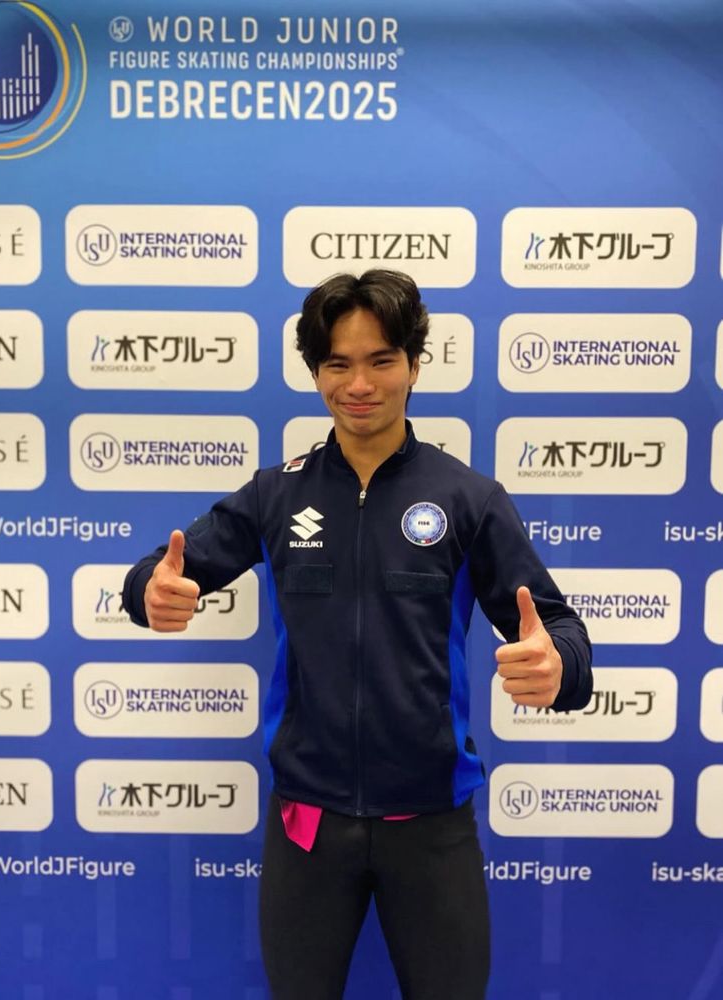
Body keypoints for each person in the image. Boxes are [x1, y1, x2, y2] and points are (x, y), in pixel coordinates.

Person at [122, 269, 593, 1000]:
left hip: (432, 821)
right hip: (307, 822)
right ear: (316, 373)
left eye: (381, 360)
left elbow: (558, 626)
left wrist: (559, 664)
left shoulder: (469, 498)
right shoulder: (277, 493)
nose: (360, 384)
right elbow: (160, 573)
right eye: (338, 363)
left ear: (414, 364)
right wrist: (148, 593)